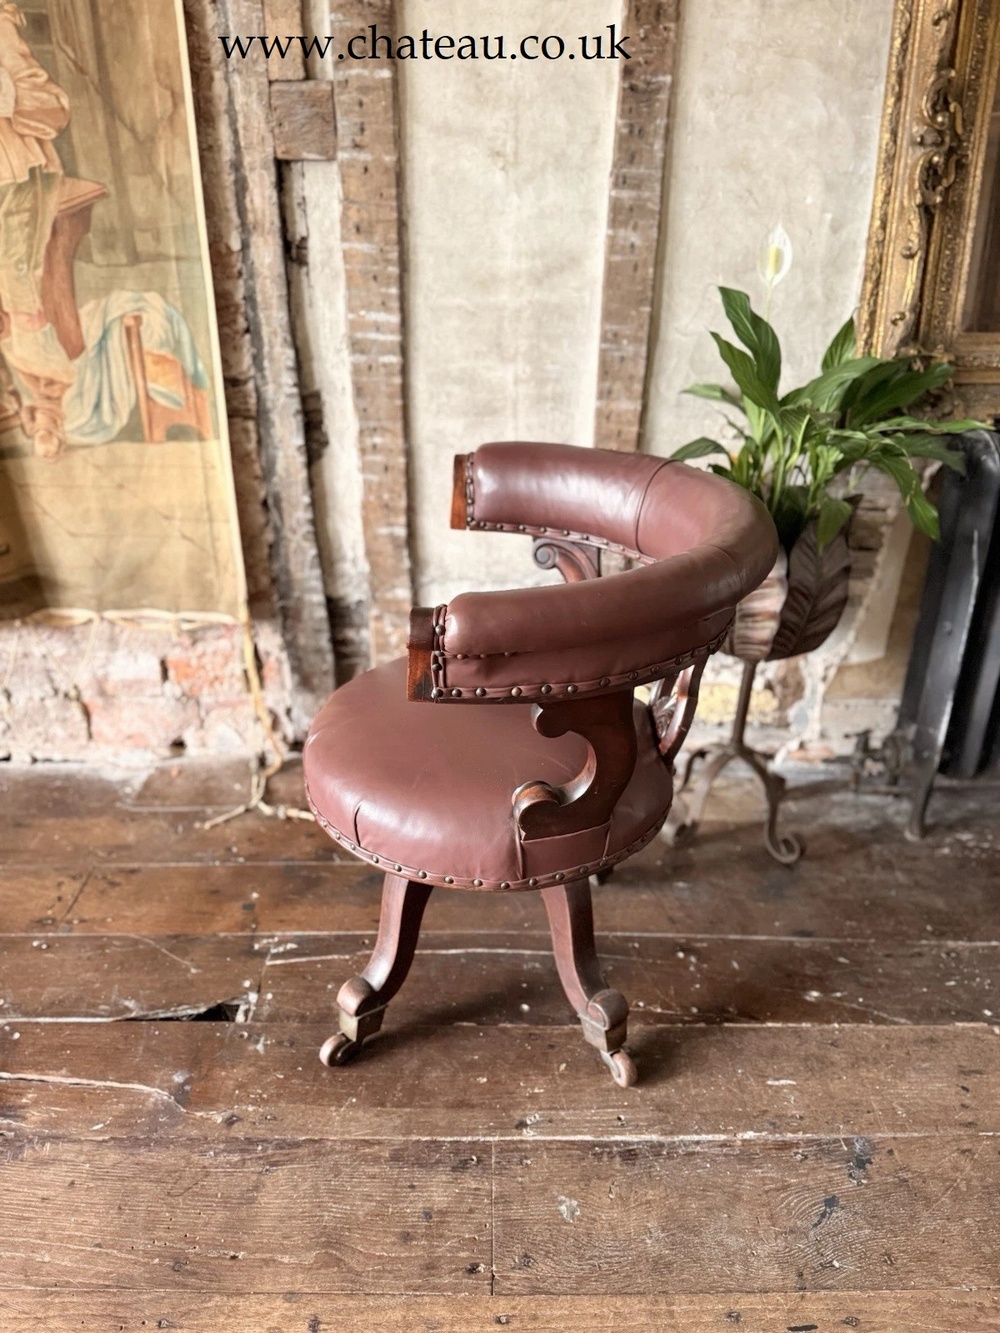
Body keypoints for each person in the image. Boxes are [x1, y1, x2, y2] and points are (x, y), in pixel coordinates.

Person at [0, 2, 74, 460]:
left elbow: (52, 107)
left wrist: (4, 95)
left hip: (11, 176)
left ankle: (46, 406)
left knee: (19, 293)